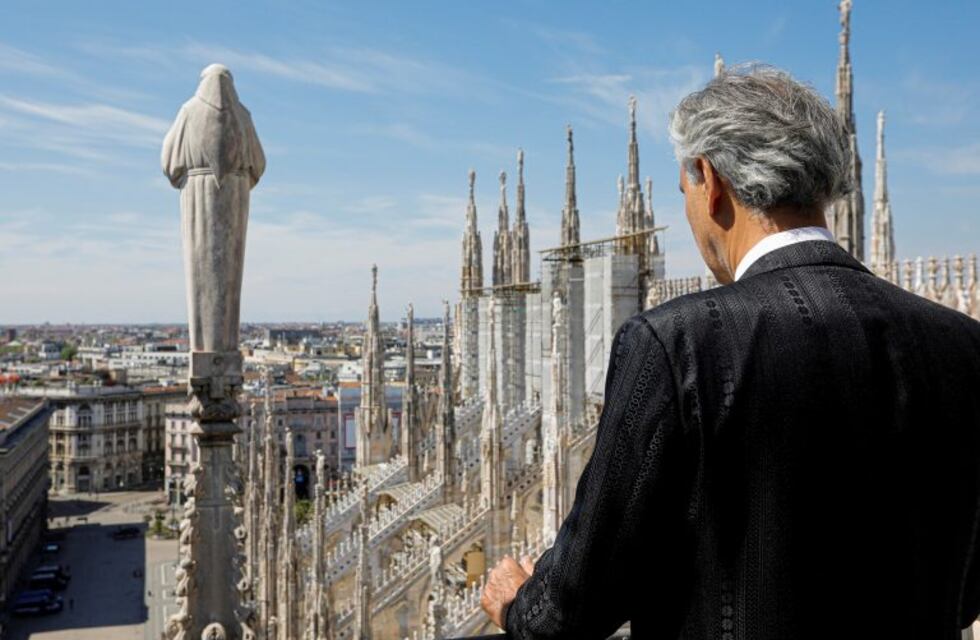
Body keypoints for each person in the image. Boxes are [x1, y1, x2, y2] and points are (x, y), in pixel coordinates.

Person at [482, 64, 980, 639]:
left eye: (684, 192)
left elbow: (573, 605)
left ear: (710, 181)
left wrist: (521, 604)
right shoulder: (963, 346)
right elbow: (966, 585)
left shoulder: (676, 344)